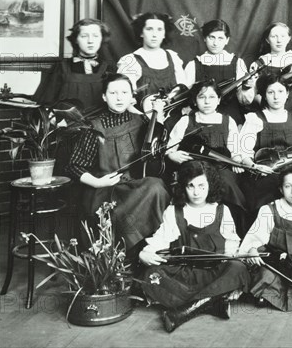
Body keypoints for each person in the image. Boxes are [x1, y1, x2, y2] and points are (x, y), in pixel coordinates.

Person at [66, 73, 171, 258]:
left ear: (132, 97)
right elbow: (74, 166)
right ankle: (125, 257)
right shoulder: (94, 127)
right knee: (152, 189)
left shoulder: (141, 121)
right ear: (104, 97)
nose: (119, 97)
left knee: (157, 187)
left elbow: (156, 150)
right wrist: (99, 183)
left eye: (124, 92)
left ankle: (146, 253)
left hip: (135, 186)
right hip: (105, 190)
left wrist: (158, 117)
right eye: (113, 93)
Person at [139, 161, 250, 333]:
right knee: (151, 275)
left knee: (239, 269)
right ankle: (212, 303)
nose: (196, 192)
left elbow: (232, 242)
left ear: (210, 185)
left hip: (213, 272)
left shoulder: (222, 210)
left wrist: (231, 254)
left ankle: (183, 311)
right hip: (183, 274)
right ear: (183, 187)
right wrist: (145, 253)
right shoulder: (174, 211)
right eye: (191, 186)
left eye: (201, 186)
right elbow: (160, 240)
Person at [238, 166, 292, 312]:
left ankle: (274, 294)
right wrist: (252, 249)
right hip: (276, 265)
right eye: (288, 186)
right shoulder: (269, 209)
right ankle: (268, 294)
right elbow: (256, 237)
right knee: (262, 274)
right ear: (280, 189)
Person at [166, 80, 248, 234]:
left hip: (220, 167)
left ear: (218, 100)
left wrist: (236, 159)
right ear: (195, 101)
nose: (207, 101)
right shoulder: (186, 120)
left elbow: (235, 150)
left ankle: (233, 233)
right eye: (202, 97)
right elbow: (170, 148)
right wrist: (172, 155)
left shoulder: (227, 121)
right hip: (193, 168)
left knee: (229, 185)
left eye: (212, 97)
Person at [237, 73, 292, 218]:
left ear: (287, 94)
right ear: (264, 95)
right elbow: (243, 153)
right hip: (263, 172)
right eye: (271, 92)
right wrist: (255, 167)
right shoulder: (254, 118)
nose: (276, 97)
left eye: (280, 92)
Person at [184, 19, 256, 126]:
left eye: (220, 38)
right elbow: (186, 97)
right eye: (211, 37)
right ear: (204, 38)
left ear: (227, 40)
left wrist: (246, 87)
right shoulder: (194, 64)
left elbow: (245, 101)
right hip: (201, 118)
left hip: (231, 117)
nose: (215, 43)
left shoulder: (237, 63)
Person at [33, 18, 113, 112]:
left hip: (99, 123)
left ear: (101, 39)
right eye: (84, 36)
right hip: (67, 123)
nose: (90, 41)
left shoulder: (108, 68)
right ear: (75, 39)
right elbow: (46, 102)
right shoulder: (61, 67)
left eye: (95, 36)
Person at [117, 12, 186, 106]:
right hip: (142, 117)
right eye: (149, 29)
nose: (154, 34)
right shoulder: (130, 61)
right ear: (141, 33)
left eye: (159, 29)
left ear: (164, 34)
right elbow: (123, 98)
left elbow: (182, 90)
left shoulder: (173, 57)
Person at [250, 22, 292, 117]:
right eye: (274, 36)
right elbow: (252, 95)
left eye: (283, 36)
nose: (279, 40)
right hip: (266, 114)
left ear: (289, 38)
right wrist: (266, 104)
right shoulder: (259, 64)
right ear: (267, 40)